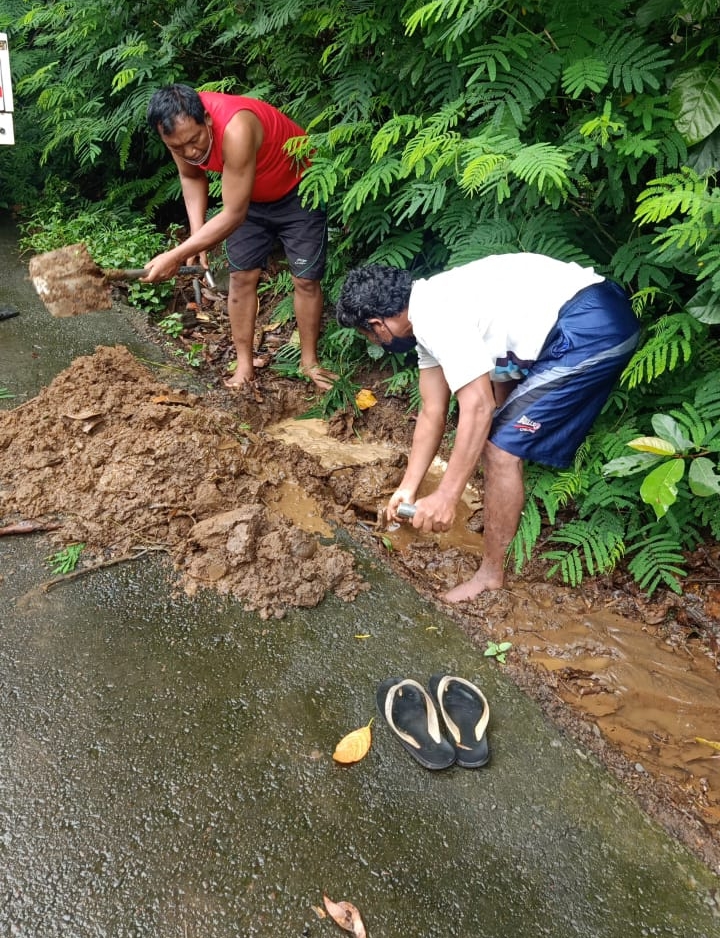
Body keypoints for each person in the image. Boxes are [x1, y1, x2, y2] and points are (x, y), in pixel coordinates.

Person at [335, 254, 640, 602]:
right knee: (498, 432)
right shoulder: (428, 312)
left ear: (378, 324)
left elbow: (479, 406)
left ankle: (491, 576)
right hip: (594, 312)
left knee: (498, 449)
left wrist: (447, 496)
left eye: (369, 335)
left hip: (590, 327)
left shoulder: (436, 316)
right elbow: (432, 411)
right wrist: (408, 487)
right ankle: (500, 516)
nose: (376, 342)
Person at [143, 84, 337, 391]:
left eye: (194, 141)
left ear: (207, 119)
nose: (190, 152)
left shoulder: (237, 127)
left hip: (299, 188)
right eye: (178, 148)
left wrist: (176, 255)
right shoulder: (177, 133)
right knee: (241, 278)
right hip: (249, 196)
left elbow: (234, 214)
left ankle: (309, 362)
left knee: (306, 279)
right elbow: (191, 176)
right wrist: (197, 234)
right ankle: (245, 366)